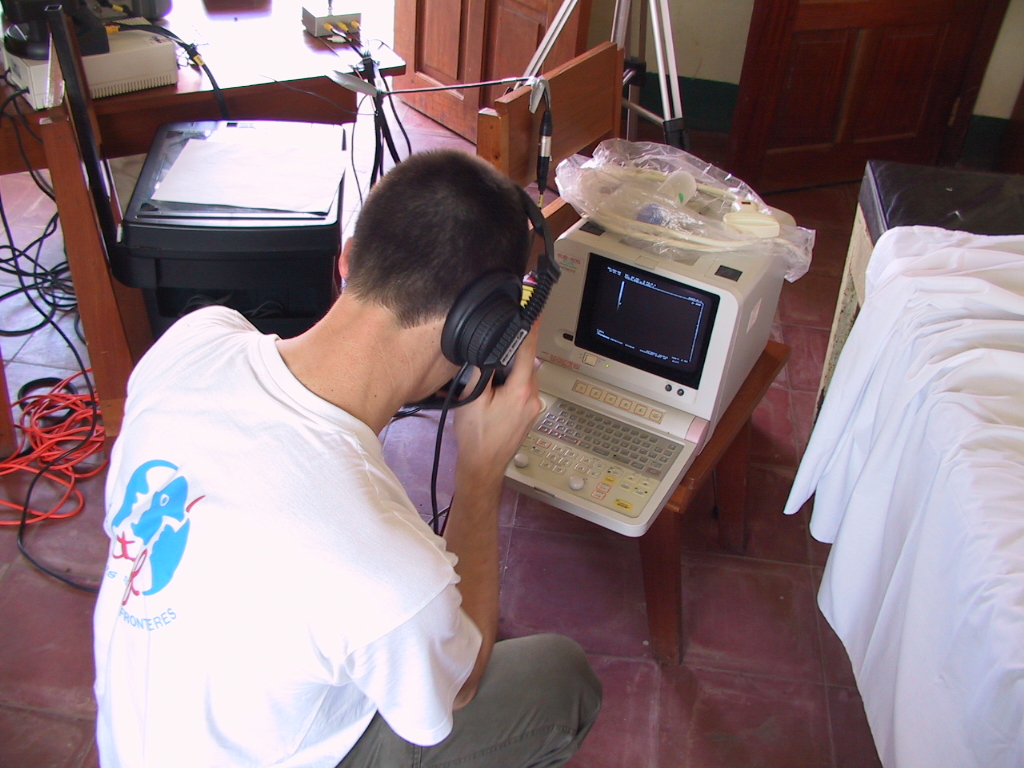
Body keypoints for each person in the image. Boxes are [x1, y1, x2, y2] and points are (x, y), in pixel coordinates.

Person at [92, 149, 602, 768]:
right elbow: (458, 689)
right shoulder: (389, 571)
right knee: (558, 678)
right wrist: (479, 473)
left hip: (130, 748)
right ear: (482, 329)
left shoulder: (192, 341)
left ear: (348, 257)